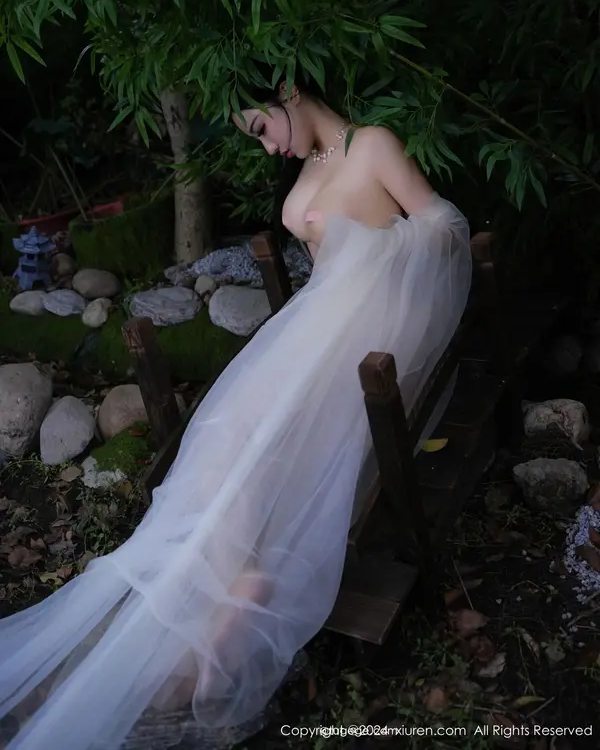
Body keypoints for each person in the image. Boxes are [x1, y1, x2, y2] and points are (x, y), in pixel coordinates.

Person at [0, 74, 472, 750]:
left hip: (371, 334)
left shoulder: (372, 144)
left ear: (288, 89)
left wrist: (380, 250)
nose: (268, 147)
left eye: (263, 128)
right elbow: (322, 272)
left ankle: (230, 600)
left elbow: (443, 226)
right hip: (314, 327)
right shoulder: (307, 170)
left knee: (274, 433)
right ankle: (226, 586)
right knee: (226, 432)